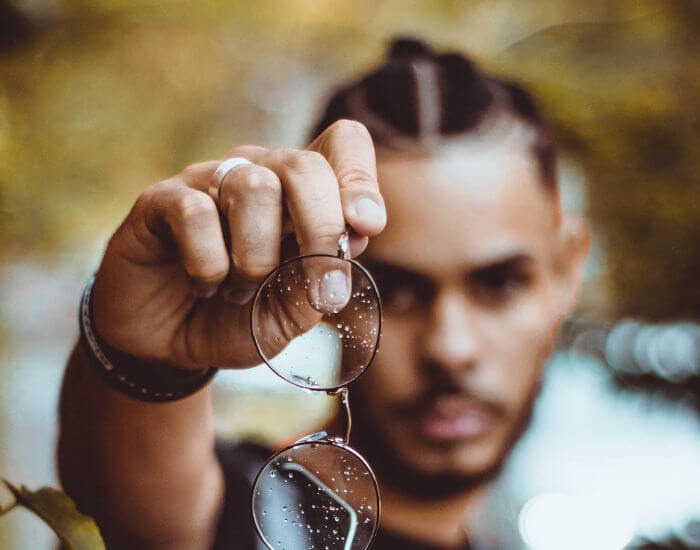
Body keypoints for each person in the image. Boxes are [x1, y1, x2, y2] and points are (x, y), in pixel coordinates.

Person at [57, 38, 589, 550]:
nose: (450, 348)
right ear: (313, 280)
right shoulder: (244, 521)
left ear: (568, 270)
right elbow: (145, 523)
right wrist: (146, 365)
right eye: (392, 292)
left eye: (498, 284)